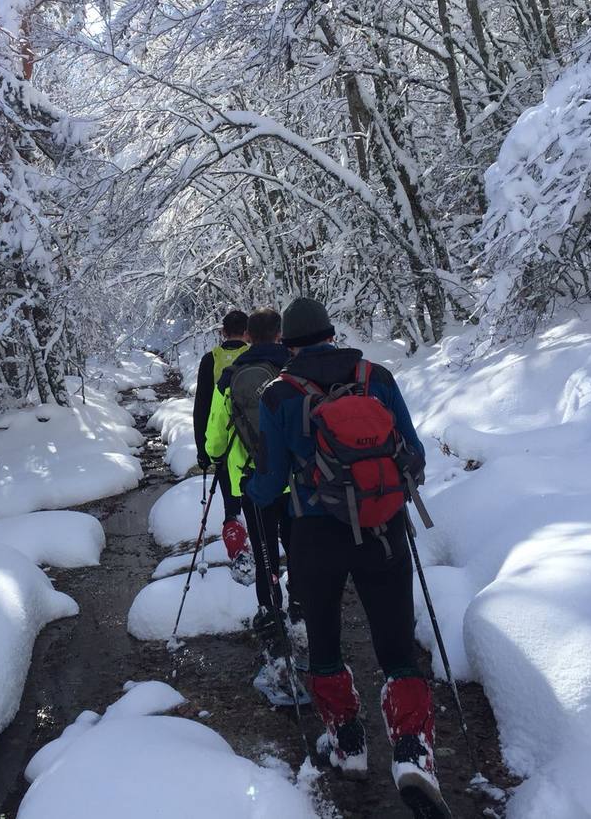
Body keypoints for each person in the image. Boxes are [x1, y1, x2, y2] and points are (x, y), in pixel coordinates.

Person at [247, 297, 450, 819]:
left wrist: (253, 486)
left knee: (324, 637)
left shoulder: (279, 395)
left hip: (314, 533)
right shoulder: (375, 377)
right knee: (396, 641)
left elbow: (269, 485)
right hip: (383, 529)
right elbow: (414, 453)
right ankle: (412, 753)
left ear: (287, 344)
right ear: (332, 334)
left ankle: (348, 744)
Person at [203, 308, 294, 621]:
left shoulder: (231, 376)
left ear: (249, 338)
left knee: (264, 545)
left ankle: (270, 609)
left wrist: (215, 456)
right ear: (279, 334)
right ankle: (301, 602)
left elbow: (215, 436)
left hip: (251, 478)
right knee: (296, 542)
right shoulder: (292, 368)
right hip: (294, 477)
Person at [192, 309, 251, 581]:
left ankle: (237, 545)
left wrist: (203, 450)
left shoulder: (211, 359)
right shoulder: (255, 356)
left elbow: (202, 407)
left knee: (231, 501)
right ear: (247, 332)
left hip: (223, 444)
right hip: (255, 443)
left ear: (223, 332)